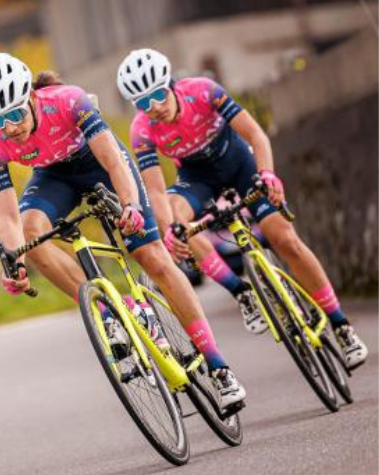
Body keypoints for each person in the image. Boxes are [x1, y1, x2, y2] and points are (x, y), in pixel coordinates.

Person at [0, 52, 247, 407]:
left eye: (14, 114)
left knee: (151, 257)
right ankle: (109, 312)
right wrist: (16, 262)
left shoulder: (69, 100)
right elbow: (7, 216)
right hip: (54, 177)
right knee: (28, 234)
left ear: (31, 97)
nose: (10, 127)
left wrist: (130, 205)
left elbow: (114, 161)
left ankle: (218, 366)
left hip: (101, 165)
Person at [118, 48, 368, 369]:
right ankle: (242, 292)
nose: (154, 107)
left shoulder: (203, 91)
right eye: (142, 103)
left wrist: (266, 173)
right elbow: (154, 189)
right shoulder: (142, 130)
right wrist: (170, 230)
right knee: (176, 221)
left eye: (157, 95)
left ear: (170, 84)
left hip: (240, 164)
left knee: (284, 237)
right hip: (197, 179)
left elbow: (255, 134)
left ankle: (340, 325)